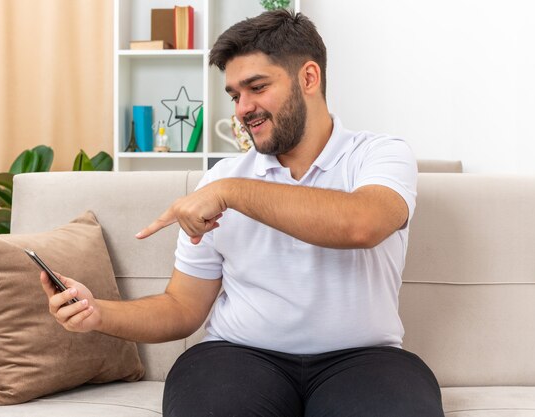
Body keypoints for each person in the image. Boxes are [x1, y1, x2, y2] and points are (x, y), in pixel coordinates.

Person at [41, 9, 445, 417]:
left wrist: (231, 193)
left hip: (365, 359)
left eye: (256, 87)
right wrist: (97, 314)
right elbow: (182, 308)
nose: (242, 109)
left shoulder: (379, 154)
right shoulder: (221, 180)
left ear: (309, 77)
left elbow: (363, 223)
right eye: (235, 95)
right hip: (238, 357)